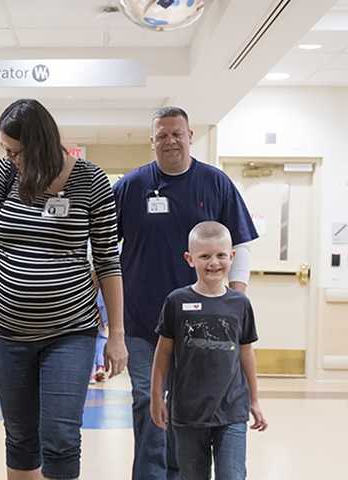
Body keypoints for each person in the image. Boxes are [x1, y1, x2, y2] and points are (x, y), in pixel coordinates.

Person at [0, 98, 128, 480]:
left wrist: (117, 335)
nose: (11, 158)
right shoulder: (2, 175)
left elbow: (109, 262)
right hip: (4, 331)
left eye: (16, 151)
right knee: (20, 434)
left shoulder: (92, 180)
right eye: (6, 150)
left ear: (41, 145)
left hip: (70, 330)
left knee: (61, 436)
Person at [113, 106, 258, 480]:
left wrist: (235, 297)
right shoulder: (131, 186)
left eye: (177, 133)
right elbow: (102, 249)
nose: (170, 140)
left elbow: (240, 243)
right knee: (149, 401)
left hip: (204, 324)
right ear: (152, 140)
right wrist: (108, 313)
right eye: (162, 134)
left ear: (190, 136)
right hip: (143, 321)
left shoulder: (215, 183)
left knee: (188, 406)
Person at [150, 221, 267, 479]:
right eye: (205, 256)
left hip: (232, 411)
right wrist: (157, 396)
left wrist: (255, 401)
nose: (214, 262)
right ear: (190, 259)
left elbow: (246, 353)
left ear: (232, 257)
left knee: (231, 475)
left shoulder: (240, 304)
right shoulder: (177, 302)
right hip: (188, 413)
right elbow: (163, 355)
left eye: (221, 255)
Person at [90, 289, 109, 384]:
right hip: (102, 319)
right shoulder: (104, 288)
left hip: (93, 319)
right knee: (101, 341)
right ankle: (100, 367)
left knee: (92, 344)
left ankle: (92, 373)